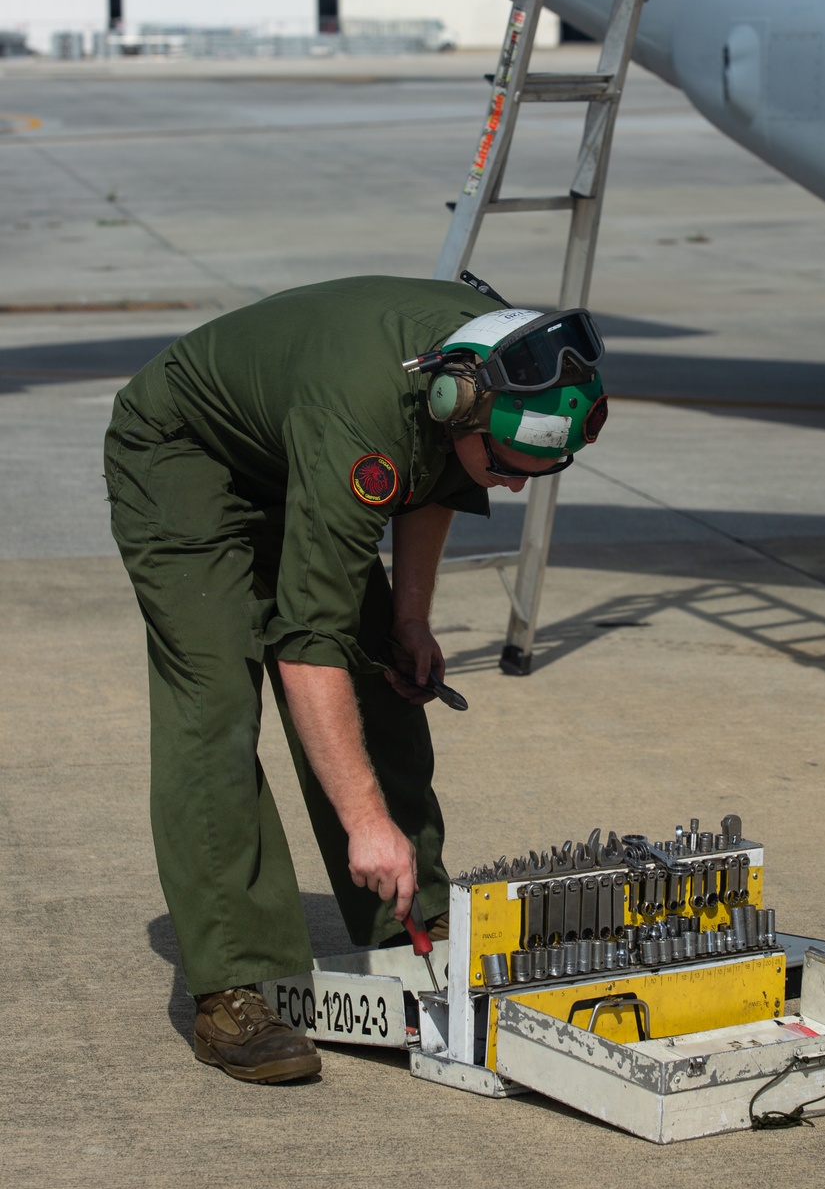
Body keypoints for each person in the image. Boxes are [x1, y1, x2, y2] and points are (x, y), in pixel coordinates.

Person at [104, 275, 607, 1083]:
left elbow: (439, 474)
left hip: (299, 443)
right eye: (509, 465)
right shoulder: (371, 412)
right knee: (217, 704)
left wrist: (409, 617)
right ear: (455, 408)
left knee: (381, 673)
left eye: (535, 472)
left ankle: (413, 925)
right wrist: (365, 820)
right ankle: (238, 984)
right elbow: (307, 646)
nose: (514, 484)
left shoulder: (491, 364)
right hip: (188, 460)